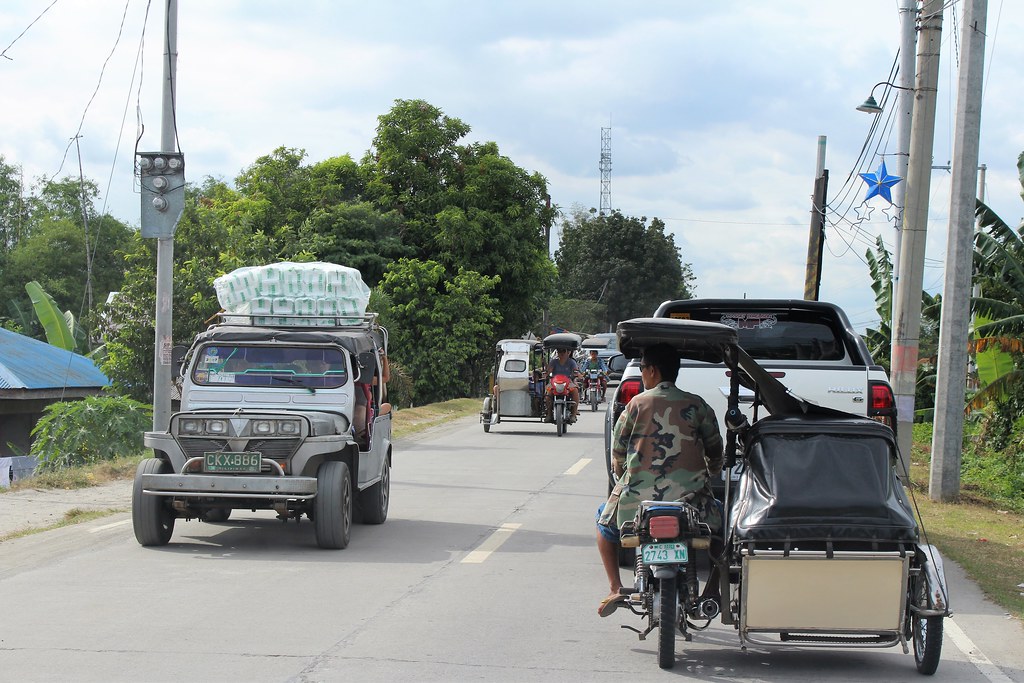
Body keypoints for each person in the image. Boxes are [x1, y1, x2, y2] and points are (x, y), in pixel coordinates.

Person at [595, 342, 724, 617]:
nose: (641, 374)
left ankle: (616, 587)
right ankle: (713, 589)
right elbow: (715, 450)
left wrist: (623, 477)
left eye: (642, 368)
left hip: (637, 503)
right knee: (724, 530)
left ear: (652, 370)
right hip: (693, 505)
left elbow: (617, 451)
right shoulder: (697, 405)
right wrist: (710, 473)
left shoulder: (636, 404)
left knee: (603, 526)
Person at [545, 346, 581, 420]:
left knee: (575, 391)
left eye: (563, 351)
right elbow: (549, 371)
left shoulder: (571, 362)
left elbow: (575, 371)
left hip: (568, 382)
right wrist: (546, 373)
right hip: (554, 382)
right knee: (548, 394)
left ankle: (573, 414)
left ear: (568, 352)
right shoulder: (554, 362)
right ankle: (548, 414)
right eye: (559, 351)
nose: (561, 353)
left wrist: (577, 374)